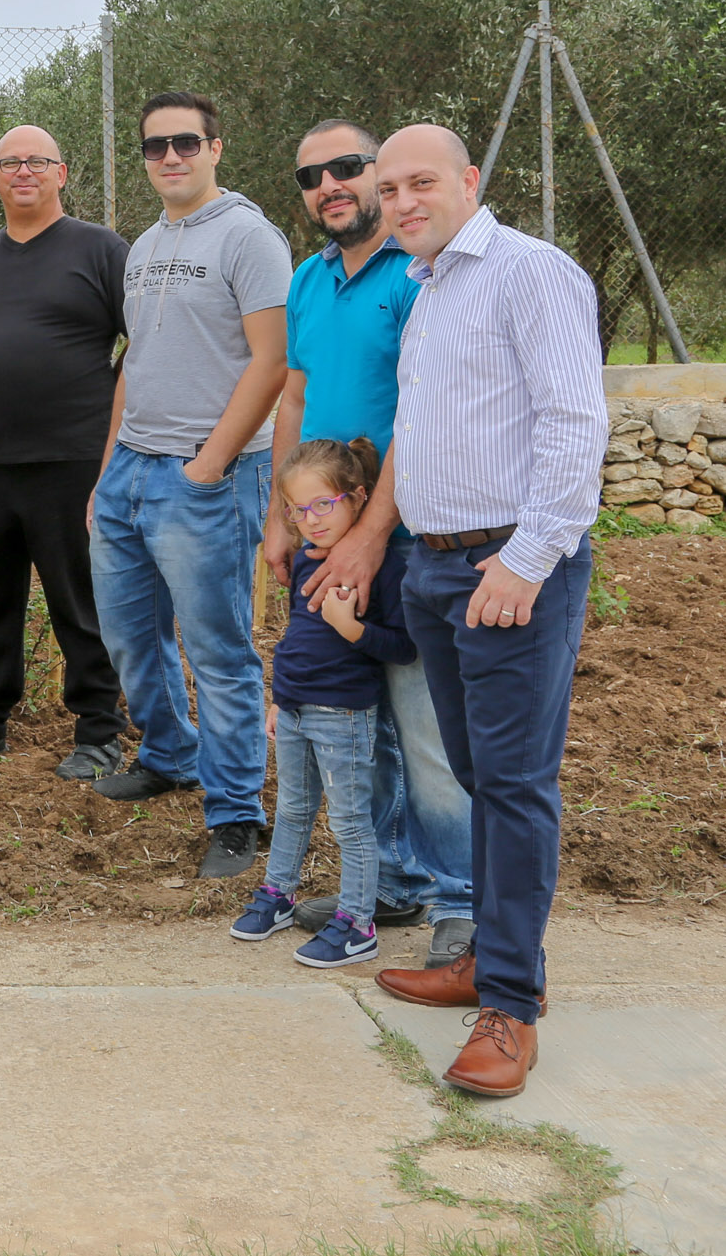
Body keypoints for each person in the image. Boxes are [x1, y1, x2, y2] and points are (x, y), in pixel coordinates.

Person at [366, 124, 607, 1099]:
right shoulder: (429, 288)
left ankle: (508, 1002)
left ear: (470, 180)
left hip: (503, 571)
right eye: (386, 188)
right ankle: (483, 957)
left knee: (510, 785)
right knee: (476, 774)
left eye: (418, 181)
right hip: (435, 571)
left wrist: (526, 557)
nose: (399, 201)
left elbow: (572, 419)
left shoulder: (526, 271)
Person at [264, 120, 476, 968]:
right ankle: (392, 880)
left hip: (401, 539)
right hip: (326, 537)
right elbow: (294, 397)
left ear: (379, 176)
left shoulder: (420, 280)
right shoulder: (309, 282)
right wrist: (282, 519)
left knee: (427, 732)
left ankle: (461, 899)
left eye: (348, 168)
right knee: (365, 722)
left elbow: (418, 421)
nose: (330, 186)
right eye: (311, 175)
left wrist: (370, 538)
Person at [89, 91, 291, 879]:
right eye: (154, 147)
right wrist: (109, 471)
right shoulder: (143, 246)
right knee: (131, 636)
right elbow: (135, 366)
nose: (169, 157)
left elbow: (272, 362)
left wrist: (209, 463)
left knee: (218, 649)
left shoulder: (249, 236)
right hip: (131, 469)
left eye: (184, 143)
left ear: (215, 149)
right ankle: (171, 754)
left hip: (208, 474)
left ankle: (237, 812)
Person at [0, 124, 129, 781]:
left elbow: (143, 340)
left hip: (72, 460)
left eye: (37, 161)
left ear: (62, 173)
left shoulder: (101, 250)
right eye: (9, 162)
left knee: (81, 600)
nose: (23, 172)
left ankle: (99, 730)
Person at [231, 437, 413, 969]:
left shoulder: (381, 571)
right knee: (291, 807)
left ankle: (358, 924)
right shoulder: (308, 564)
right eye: (298, 510)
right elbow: (296, 638)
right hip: (293, 709)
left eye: (323, 505)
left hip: (345, 714)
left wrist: (352, 628)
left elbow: (403, 647)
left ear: (357, 497)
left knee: (350, 821)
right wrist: (278, 700)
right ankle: (279, 894)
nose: (310, 520)